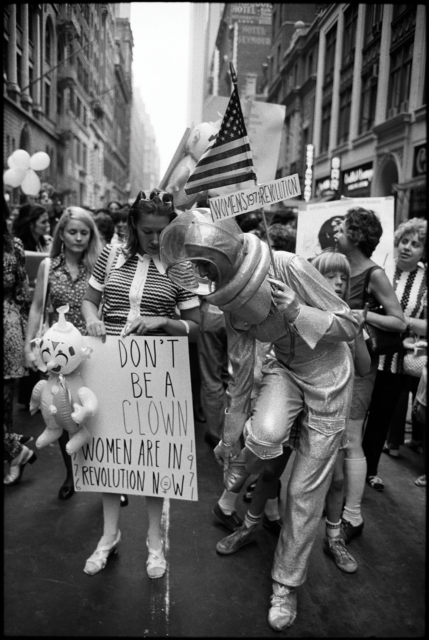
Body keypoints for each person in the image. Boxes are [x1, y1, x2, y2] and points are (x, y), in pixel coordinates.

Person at [159, 208, 360, 631]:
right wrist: (230, 442)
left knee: (304, 490)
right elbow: (240, 382)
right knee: (264, 434)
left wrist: (297, 313)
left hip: (328, 378)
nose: (198, 270)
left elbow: (348, 326)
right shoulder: (232, 307)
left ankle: (285, 584)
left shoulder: (287, 266)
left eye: (202, 260)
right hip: (284, 370)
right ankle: (241, 481)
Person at [81, 188, 200, 578]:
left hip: (155, 375)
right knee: (108, 455)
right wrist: (93, 319)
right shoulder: (111, 255)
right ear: (133, 224)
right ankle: (108, 536)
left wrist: (164, 322)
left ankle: (153, 542)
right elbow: (88, 300)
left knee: (153, 460)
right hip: (107, 366)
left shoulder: (181, 266)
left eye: (162, 231)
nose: (154, 239)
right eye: (147, 230)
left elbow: (200, 327)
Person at [333, 208, 406, 541]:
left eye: (343, 227)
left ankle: (353, 515)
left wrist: (364, 316)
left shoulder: (374, 274)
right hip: (331, 365)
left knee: (350, 438)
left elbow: (399, 322)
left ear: (357, 236)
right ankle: (335, 504)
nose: (337, 230)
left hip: (360, 368)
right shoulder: (338, 266)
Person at [24, 207, 103, 500]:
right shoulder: (48, 267)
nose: (79, 238)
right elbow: (36, 307)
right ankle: (72, 474)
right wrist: (29, 343)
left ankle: (106, 477)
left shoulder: (98, 265)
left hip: (90, 351)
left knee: (93, 413)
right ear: (62, 234)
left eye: (85, 232)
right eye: (73, 232)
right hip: (57, 355)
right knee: (58, 414)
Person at [311, 251, 371, 573]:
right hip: (301, 414)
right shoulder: (301, 311)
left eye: (344, 277)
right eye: (330, 275)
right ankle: (258, 524)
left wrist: (355, 332)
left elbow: (363, 367)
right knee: (279, 477)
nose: (338, 282)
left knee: (336, 482)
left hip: (333, 418)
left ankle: (334, 538)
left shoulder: (348, 316)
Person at [362, 218, 426, 491]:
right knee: (354, 415)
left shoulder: (425, 281)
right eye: (404, 241)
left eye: (416, 244)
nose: (408, 248)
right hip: (366, 354)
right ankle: (345, 465)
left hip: (398, 362)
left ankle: (369, 470)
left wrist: (400, 321)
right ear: (396, 242)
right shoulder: (380, 268)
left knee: (380, 418)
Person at [3, 196, 38, 485]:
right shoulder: (14, 244)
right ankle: (14, 448)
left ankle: (13, 452)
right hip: (11, 322)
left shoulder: (12, 246)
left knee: (5, 405)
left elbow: (21, 293)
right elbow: (21, 292)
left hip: (8, 328)